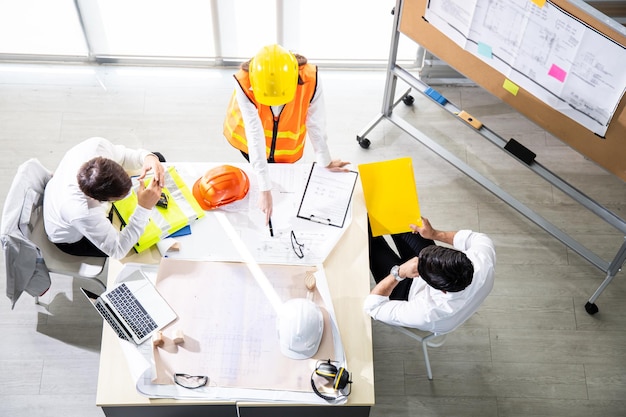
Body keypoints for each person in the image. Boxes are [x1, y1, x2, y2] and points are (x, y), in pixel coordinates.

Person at [223, 44, 349, 224]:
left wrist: (324, 160)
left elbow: (316, 124)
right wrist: (264, 188)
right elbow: (254, 133)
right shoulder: (244, 82)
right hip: (251, 145)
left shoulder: (311, 79)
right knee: (263, 182)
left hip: (286, 151)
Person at [364, 217, 496, 333]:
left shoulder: (427, 313)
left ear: (442, 290)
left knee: (368, 240)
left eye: (421, 266)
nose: (417, 259)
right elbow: (475, 238)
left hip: (407, 293)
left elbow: (372, 307)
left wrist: (399, 272)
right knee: (401, 219)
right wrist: (434, 234)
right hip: (442, 280)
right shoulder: (482, 260)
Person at [43, 137, 165, 259]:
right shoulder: (83, 211)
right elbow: (118, 250)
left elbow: (123, 156)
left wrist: (148, 157)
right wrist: (144, 208)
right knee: (141, 247)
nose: (130, 193)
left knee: (157, 157)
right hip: (73, 239)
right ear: (99, 200)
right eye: (120, 197)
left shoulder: (97, 146)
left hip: (59, 195)